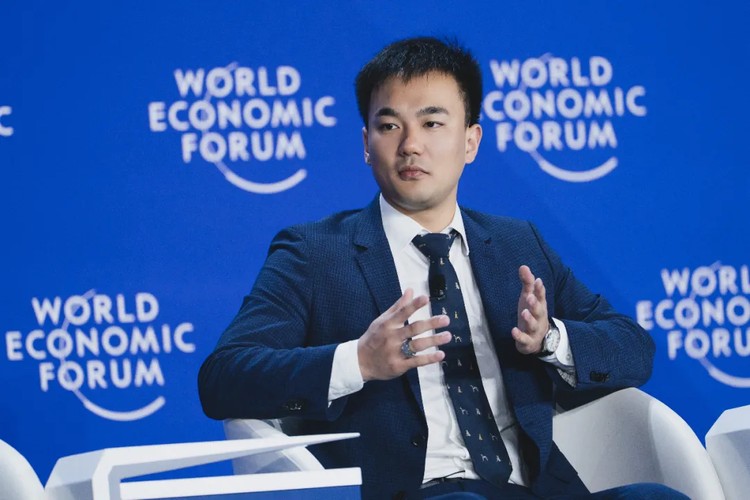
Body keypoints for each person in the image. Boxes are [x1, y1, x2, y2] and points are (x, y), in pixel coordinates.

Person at [198, 37, 686, 500]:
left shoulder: (517, 244)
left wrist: (550, 339)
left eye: (432, 123)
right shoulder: (315, 253)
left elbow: (634, 348)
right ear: (366, 143)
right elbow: (222, 378)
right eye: (389, 126)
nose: (410, 145)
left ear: (470, 141)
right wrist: (359, 361)